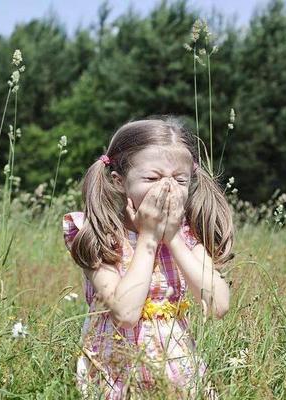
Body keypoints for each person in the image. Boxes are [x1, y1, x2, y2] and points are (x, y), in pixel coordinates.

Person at [62, 116, 235, 399]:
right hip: (115, 370)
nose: (167, 188)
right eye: (152, 178)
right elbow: (126, 314)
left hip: (177, 369)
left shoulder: (188, 237)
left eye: (180, 180)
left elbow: (218, 305)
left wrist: (172, 238)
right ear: (119, 182)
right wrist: (149, 238)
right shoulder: (99, 234)